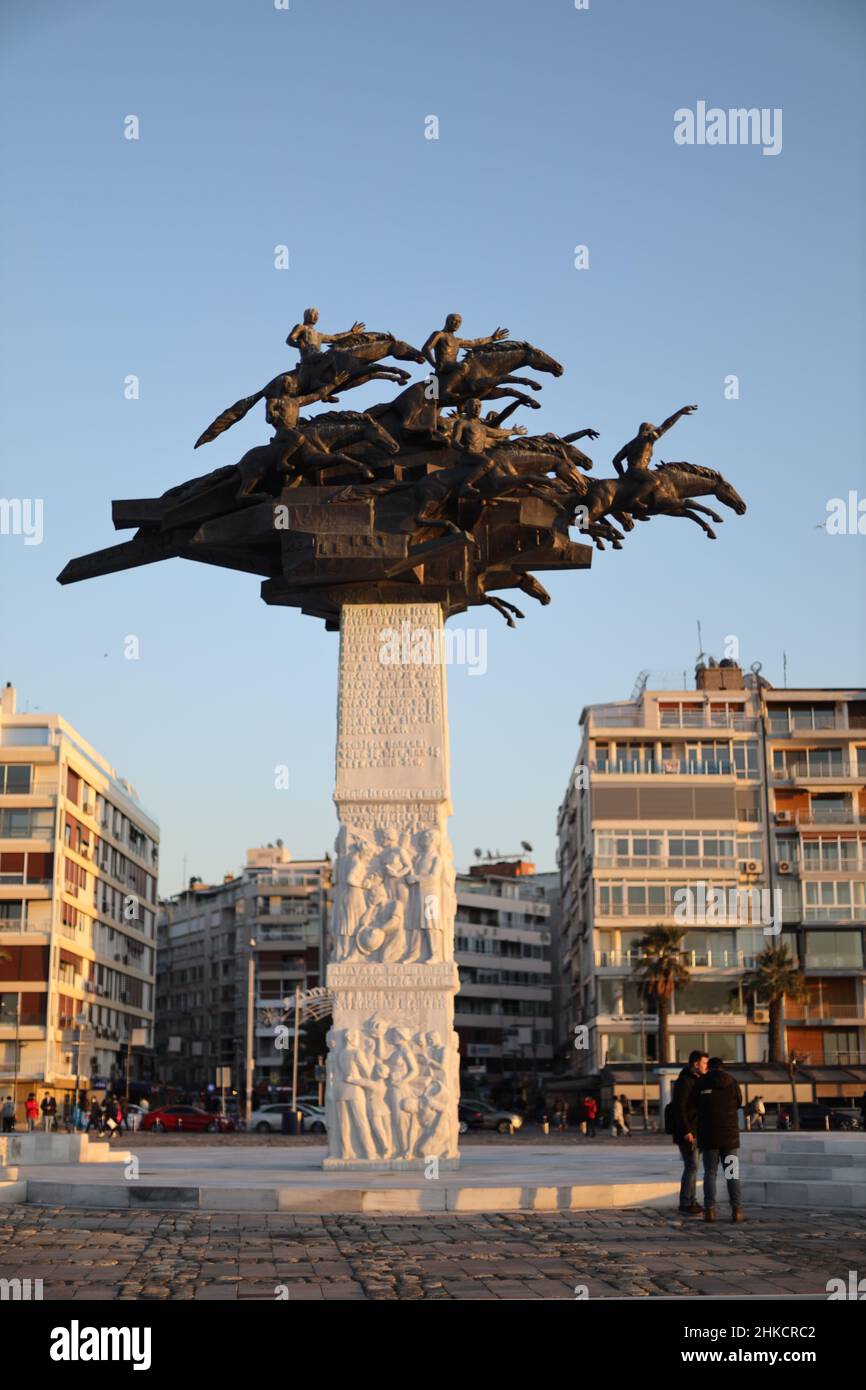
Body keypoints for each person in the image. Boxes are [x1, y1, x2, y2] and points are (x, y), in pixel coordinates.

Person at [697, 1057, 745, 1223]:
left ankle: (710, 1211)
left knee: (710, 1173)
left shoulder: (701, 1082)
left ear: (709, 1068)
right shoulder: (732, 1082)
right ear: (722, 1068)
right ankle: (736, 1210)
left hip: (709, 1137)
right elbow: (739, 1102)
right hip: (729, 1139)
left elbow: (693, 1104)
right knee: (732, 1174)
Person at [671, 1050, 708, 1216]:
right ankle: (685, 1202)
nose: (706, 1066)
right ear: (696, 1064)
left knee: (694, 1166)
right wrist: (687, 1130)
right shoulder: (685, 1081)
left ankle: (691, 1201)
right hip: (688, 1132)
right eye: (704, 1063)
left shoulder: (696, 1081)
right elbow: (679, 1108)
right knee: (691, 1166)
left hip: (697, 1130)